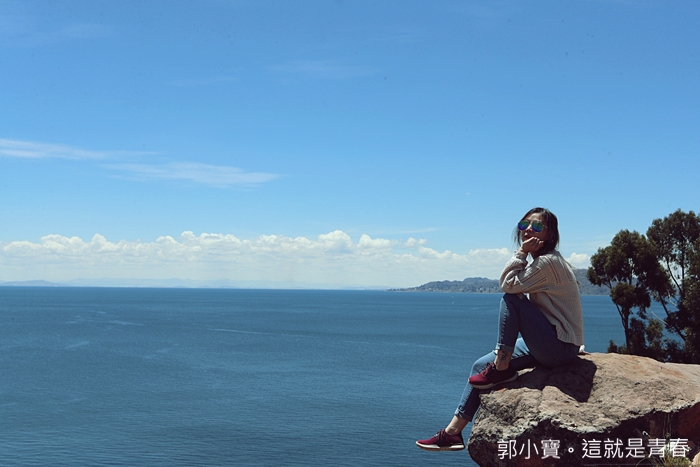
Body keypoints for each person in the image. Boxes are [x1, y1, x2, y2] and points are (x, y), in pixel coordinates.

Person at [416, 207, 585, 452]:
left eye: (537, 226)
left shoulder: (548, 262)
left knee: (512, 300)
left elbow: (508, 285)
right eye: (524, 225)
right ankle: (452, 433)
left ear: (550, 234)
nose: (528, 230)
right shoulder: (544, 261)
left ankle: (502, 367)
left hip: (558, 346)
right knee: (479, 367)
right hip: (553, 342)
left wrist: (521, 252)